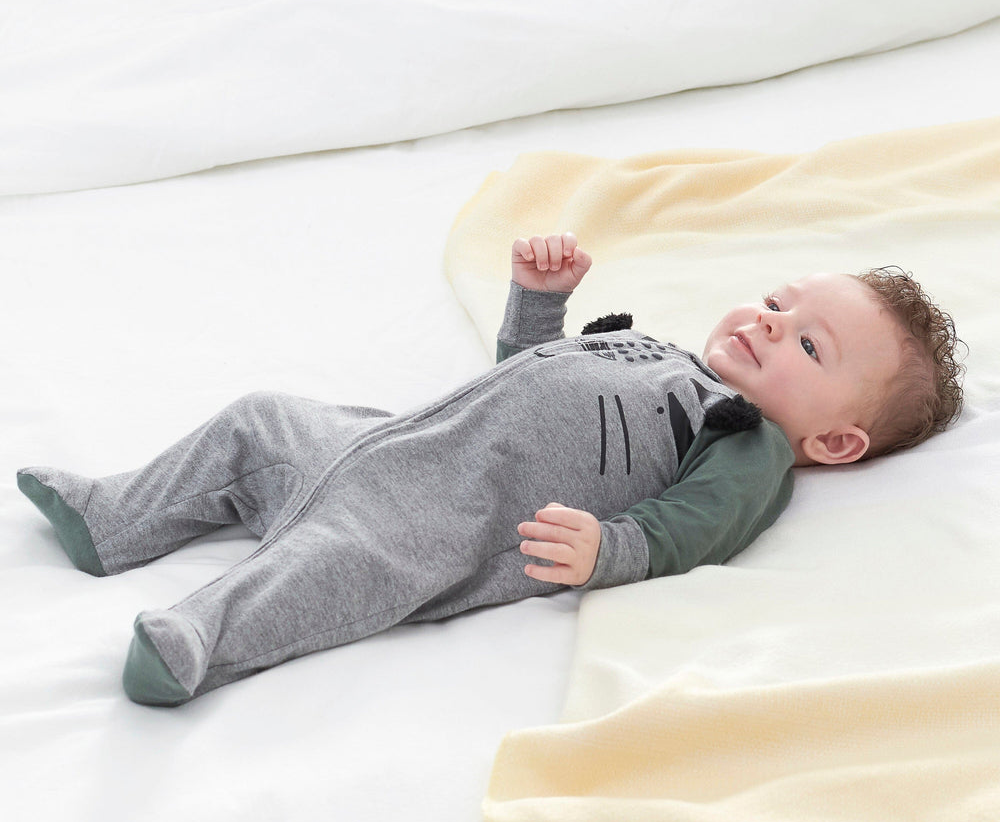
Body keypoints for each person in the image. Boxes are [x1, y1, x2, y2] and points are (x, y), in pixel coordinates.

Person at [16, 233, 963, 706]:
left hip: (440, 520)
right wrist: (539, 304)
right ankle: (116, 518)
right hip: (376, 441)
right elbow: (520, 377)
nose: (767, 325)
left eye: (808, 344)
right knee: (260, 417)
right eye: (775, 304)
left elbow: (697, 526)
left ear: (836, 443)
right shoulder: (661, 356)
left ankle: (195, 640)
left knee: (324, 567)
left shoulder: (746, 443)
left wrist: (609, 550)